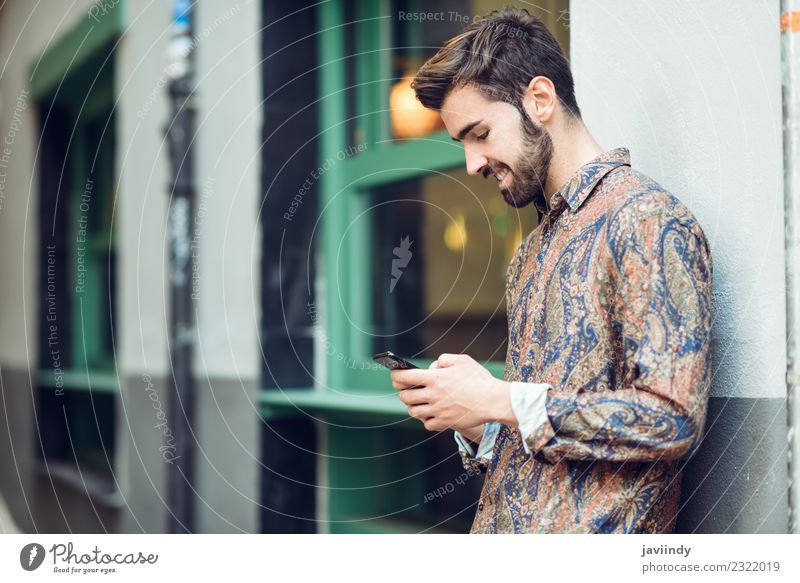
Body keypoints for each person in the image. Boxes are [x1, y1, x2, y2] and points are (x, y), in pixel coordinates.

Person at [390, 6, 713, 533]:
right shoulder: (531, 253)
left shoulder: (647, 220)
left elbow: (671, 419)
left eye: (480, 133)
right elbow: (543, 438)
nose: (472, 163)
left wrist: (499, 398)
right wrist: (481, 421)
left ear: (540, 100)